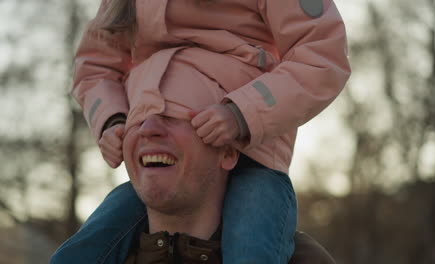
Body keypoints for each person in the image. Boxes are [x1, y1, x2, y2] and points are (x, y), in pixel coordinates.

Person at [69, 0, 350, 263]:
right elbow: (95, 66)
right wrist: (111, 120)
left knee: (250, 246)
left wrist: (242, 113)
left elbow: (322, 54)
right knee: (84, 249)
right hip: (157, 160)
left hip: (253, 156)